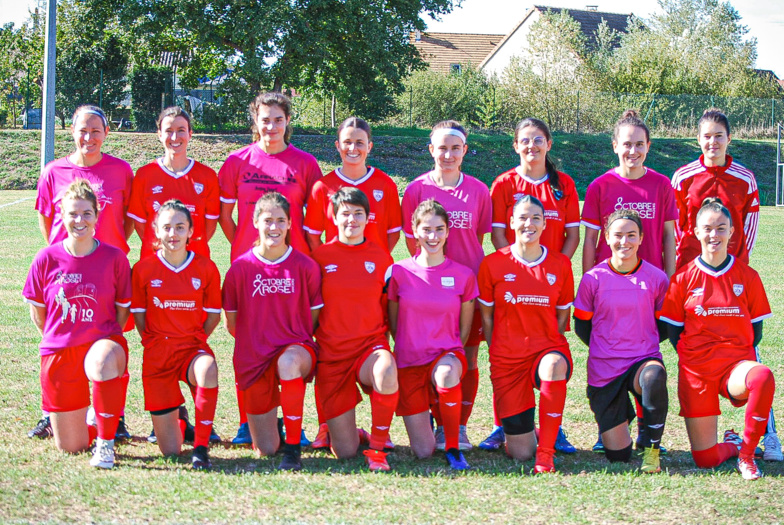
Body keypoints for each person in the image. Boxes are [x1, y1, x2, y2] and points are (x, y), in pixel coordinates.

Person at [671, 108, 781, 462]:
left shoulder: (745, 179)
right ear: (698, 139)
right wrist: (686, 272)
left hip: (732, 279)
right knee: (691, 351)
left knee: (753, 355)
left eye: (719, 135)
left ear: (728, 138)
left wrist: (738, 274)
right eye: (706, 136)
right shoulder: (683, 176)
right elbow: (677, 229)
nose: (713, 142)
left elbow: (749, 228)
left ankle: (771, 436)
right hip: (693, 280)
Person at [218, 92, 322, 444]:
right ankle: (250, 420)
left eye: (278, 119)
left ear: (287, 121)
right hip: (250, 268)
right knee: (248, 342)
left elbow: (313, 220)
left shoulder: (305, 164)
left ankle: (294, 422)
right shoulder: (237, 161)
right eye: (265, 119)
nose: (271, 126)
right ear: (255, 121)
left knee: (293, 341)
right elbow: (224, 217)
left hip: (292, 268)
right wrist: (243, 245)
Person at [30, 105, 133, 442]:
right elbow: (49, 224)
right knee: (61, 343)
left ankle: (111, 416)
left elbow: (126, 221)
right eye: (82, 130)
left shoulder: (121, 171)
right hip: (66, 272)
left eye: (96, 131)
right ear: (71, 131)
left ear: (106, 133)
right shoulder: (53, 171)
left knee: (109, 345)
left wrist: (106, 251)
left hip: (105, 271)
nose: (89, 138)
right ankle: (54, 413)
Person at [482, 117, 580, 453]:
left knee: (549, 350)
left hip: (548, 281)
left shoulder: (563, 184)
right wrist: (516, 266)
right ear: (515, 145)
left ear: (549, 144)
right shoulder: (504, 183)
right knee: (506, 348)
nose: (532, 146)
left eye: (538, 140)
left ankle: (554, 428)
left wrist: (555, 268)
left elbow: (572, 236)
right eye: (525, 140)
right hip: (512, 276)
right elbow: (497, 234)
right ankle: (502, 425)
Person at [581, 109, 677, 453]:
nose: (632, 151)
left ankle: (647, 431)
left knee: (646, 357)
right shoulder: (600, 186)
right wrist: (589, 284)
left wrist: (670, 280)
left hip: (649, 289)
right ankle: (609, 426)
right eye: (626, 144)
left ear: (648, 146)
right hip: (609, 288)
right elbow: (590, 242)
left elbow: (669, 238)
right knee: (609, 352)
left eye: (639, 144)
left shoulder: (662, 185)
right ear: (614, 146)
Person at [659, 198, 774, 480]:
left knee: (761, 376)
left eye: (721, 228)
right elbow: (675, 332)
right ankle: (734, 445)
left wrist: (737, 356)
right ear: (696, 232)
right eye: (707, 228)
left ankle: (747, 456)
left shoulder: (747, 276)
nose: (714, 235)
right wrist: (696, 358)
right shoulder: (683, 278)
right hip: (696, 371)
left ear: (732, 232)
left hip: (734, 367)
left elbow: (756, 332)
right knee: (706, 459)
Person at [22, 179, 131, 469]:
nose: (79, 220)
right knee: (71, 446)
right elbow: (38, 313)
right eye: (72, 214)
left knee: (102, 358)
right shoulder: (46, 258)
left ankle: (105, 441)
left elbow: (121, 314)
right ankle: (94, 422)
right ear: (62, 216)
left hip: (102, 343)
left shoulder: (114, 258)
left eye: (86, 213)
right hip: (60, 353)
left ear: (97, 215)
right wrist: (62, 335)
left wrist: (100, 335)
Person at [400, 120, 491, 451]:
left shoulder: (479, 190)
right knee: (425, 353)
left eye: (456, 148)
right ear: (431, 150)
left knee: (467, 355)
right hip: (427, 291)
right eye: (442, 148)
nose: (448, 154)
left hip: (468, 288)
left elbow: (476, 239)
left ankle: (458, 426)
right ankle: (429, 417)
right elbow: (413, 244)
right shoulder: (415, 190)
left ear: (465, 150)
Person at [222, 192, 323, 471]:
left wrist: (292, 339)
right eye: (268, 220)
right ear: (255, 222)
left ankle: (292, 447)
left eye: (281, 221)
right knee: (265, 450)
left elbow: (313, 318)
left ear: (291, 224)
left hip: (294, 351)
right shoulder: (240, 269)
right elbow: (233, 324)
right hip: (254, 356)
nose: (274, 227)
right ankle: (279, 426)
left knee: (288, 363)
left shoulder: (305, 267)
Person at [478, 195, 573, 473]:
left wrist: (548, 343)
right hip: (507, 358)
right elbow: (487, 317)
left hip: (546, 350)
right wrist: (499, 349)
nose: (528, 223)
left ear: (544, 224)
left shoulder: (560, 265)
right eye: (522, 217)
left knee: (553, 365)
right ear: (511, 223)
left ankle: (546, 452)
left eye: (535, 218)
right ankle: (531, 434)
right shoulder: (492, 264)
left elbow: (562, 316)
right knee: (519, 453)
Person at [573, 209, 670, 473]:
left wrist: (642, 342)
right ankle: (623, 414)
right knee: (619, 456)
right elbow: (582, 325)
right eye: (618, 235)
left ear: (641, 239)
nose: (624, 242)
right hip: (604, 369)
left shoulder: (656, 278)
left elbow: (664, 325)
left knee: (653, 377)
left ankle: (652, 450)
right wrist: (607, 346)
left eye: (631, 235)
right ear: (606, 237)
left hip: (642, 359)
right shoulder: (593, 279)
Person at [311, 188, 398, 471]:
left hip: (368, 348)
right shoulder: (320, 257)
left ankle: (377, 448)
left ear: (368, 217)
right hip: (333, 355)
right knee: (345, 452)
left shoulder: (382, 257)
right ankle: (357, 435)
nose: (352, 219)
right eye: (345, 213)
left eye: (358, 213)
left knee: (385, 369)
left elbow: (388, 306)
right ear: (333, 217)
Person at [387, 199, 478, 470]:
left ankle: (452, 445)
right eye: (426, 229)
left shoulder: (463, 275)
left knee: (446, 374)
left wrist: (450, 350)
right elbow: (394, 321)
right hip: (409, 361)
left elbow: (464, 328)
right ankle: (428, 421)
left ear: (448, 232)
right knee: (423, 452)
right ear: (415, 231)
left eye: (439, 229)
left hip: (446, 355)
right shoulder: (399, 272)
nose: (433, 236)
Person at [130, 200, 221, 469]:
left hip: (191, 349)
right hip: (158, 355)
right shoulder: (143, 269)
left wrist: (193, 338)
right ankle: (179, 421)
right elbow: (139, 315)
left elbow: (214, 316)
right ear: (156, 230)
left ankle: (202, 448)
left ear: (191, 231)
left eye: (180, 227)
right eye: (167, 227)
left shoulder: (206, 268)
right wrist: (152, 340)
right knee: (170, 451)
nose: (173, 234)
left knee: (207, 369)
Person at [127, 106, 220, 260]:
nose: (175, 137)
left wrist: (186, 247)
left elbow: (209, 227)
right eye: (169, 131)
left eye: (181, 130)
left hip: (195, 262)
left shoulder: (207, 176)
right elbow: (140, 225)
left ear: (190, 134)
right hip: (154, 262)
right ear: (159, 134)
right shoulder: (145, 175)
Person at [305, 117, 402, 253]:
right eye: (347, 142)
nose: (353, 148)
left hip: (374, 271)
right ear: (338, 146)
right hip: (337, 271)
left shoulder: (385, 184)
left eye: (359, 143)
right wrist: (329, 262)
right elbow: (312, 236)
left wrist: (377, 261)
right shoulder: (322, 186)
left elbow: (394, 233)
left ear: (369, 146)